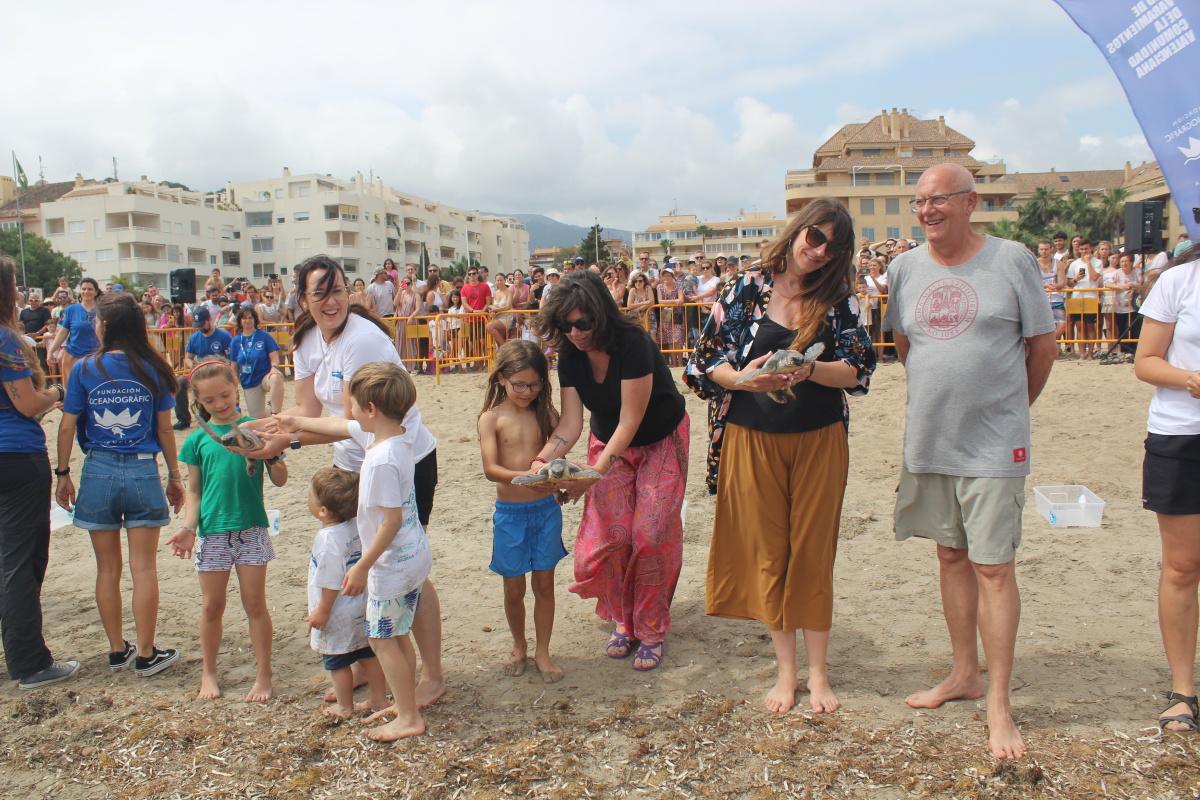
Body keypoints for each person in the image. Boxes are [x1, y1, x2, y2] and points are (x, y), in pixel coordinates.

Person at [882, 163, 1057, 760]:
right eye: (919, 201)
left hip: (993, 442)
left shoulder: (1011, 260)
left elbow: (1042, 347)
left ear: (970, 203)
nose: (928, 210)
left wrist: (1009, 410)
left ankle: (1000, 704)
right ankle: (964, 674)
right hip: (931, 439)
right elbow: (906, 346)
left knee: (993, 567)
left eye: (939, 200)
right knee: (951, 555)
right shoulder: (903, 269)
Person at [685, 198, 875, 714]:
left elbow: (859, 371)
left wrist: (810, 371)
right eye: (816, 237)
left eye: (834, 246)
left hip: (819, 437)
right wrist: (745, 378)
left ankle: (818, 675)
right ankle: (785, 673)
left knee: (813, 550)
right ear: (797, 231)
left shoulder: (840, 298)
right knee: (769, 552)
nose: (821, 251)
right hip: (751, 436)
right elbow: (704, 362)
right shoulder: (746, 286)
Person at [242, 255, 446, 709]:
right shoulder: (308, 340)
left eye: (337, 292)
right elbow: (310, 413)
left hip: (401, 461)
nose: (331, 302)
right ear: (304, 299)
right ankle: (362, 663)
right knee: (357, 564)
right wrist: (271, 427)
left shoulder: (363, 341)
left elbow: (358, 424)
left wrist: (285, 439)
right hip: (353, 466)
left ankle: (431, 674)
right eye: (321, 294)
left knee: (404, 570)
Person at [533, 271, 690, 672]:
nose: (575, 332)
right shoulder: (570, 354)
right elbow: (570, 424)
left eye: (583, 322)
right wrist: (543, 461)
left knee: (651, 534)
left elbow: (630, 421)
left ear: (602, 315)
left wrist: (591, 475)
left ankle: (652, 626)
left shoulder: (632, 343)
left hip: (658, 439)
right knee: (614, 535)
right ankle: (625, 617)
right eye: (565, 325)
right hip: (610, 443)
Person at [276, 362, 431, 740]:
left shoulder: (377, 462)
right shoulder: (399, 436)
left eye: (354, 403)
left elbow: (389, 521)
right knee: (398, 635)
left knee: (381, 638)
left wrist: (362, 565)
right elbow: (347, 427)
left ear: (371, 409)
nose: (350, 410)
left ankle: (409, 716)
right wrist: (289, 424)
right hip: (412, 555)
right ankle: (405, 700)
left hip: (392, 563)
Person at [55, 291, 184, 678]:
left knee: (107, 568)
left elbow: (66, 424)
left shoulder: (84, 368)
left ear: (106, 326)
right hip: (143, 468)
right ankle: (146, 653)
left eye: (96, 320)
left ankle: (116, 649)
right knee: (144, 568)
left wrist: (63, 474)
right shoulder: (153, 368)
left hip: (99, 469)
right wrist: (174, 477)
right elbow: (164, 429)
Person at [166, 358, 287, 701]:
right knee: (211, 606)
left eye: (225, 395)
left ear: (236, 387)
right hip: (213, 531)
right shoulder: (196, 441)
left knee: (255, 604)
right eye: (209, 401)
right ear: (197, 403)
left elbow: (280, 477)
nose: (219, 405)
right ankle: (209, 672)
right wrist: (189, 527)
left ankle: (264, 674)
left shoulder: (255, 426)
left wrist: (268, 454)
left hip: (251, 527)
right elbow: (194, 488)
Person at [0, 257, 79, 690]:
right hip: (14, 455)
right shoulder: (6, 341)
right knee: (21, 560)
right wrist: (56, 392)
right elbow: (26, 404)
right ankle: (29, 661)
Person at [1133, 242, 1200, 733]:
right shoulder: (1180, 281)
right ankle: (1183, 691)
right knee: (1182, 567)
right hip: (1182, 435)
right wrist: (1191, 378)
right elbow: (1146, 361)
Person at [478, 340, 566, 682]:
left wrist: (560, 480)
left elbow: (556, 462)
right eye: (520, 385)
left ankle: (543, 650)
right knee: (513, 589)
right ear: (501, 379)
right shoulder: (491, 418)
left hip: (545, 511)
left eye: (535, 384)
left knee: (545, 584)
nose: (528, 391)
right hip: (510, 515)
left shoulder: (548, 415)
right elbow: (490, 469)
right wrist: (526, 478)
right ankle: (520, 644)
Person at [305, 466, 388, 719]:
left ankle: (344, 707)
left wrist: (322, 611)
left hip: (337, 611)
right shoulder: (357, 525)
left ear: (323, 510)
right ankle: (379, 698)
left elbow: (330, 581)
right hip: (361, 605)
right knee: (368, 654)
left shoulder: (327, 539)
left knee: (337, 661)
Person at [173, 307, 232, 430]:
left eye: (202, 324)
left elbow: (231, 358)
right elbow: (187, 358)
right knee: (179, 383)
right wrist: (195, 366)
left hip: (217, 374)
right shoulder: (194, 338)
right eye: (197, 325)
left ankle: (208, 417)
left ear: (209, 320)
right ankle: (183, 419)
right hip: (198, 372)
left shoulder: (224, 336)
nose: (200, 328)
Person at [46, 277, 101, 391]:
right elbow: (62, 333)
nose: (86, 292)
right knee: (72, 391)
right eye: (84, 289)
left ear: (96, 292)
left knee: (95, 390)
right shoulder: (71, 309)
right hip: (73, 356)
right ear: (80, 291)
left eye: (90, 289)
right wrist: (51, 351)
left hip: (96, 357)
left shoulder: (103, 310)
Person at [230, 305, 284, 418]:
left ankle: (276, 415)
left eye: (250, 317)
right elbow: (233, 366)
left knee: (276, 377)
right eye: (244, 318)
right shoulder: (235, 341)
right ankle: (270, 408)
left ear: (255, 319)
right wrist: (233, 385)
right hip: (249, 381)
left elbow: (274, 357)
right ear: (240, 321)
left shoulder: (264, 336)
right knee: (257, 418)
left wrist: (274, 367)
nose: (248, 320)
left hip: (265, 377)